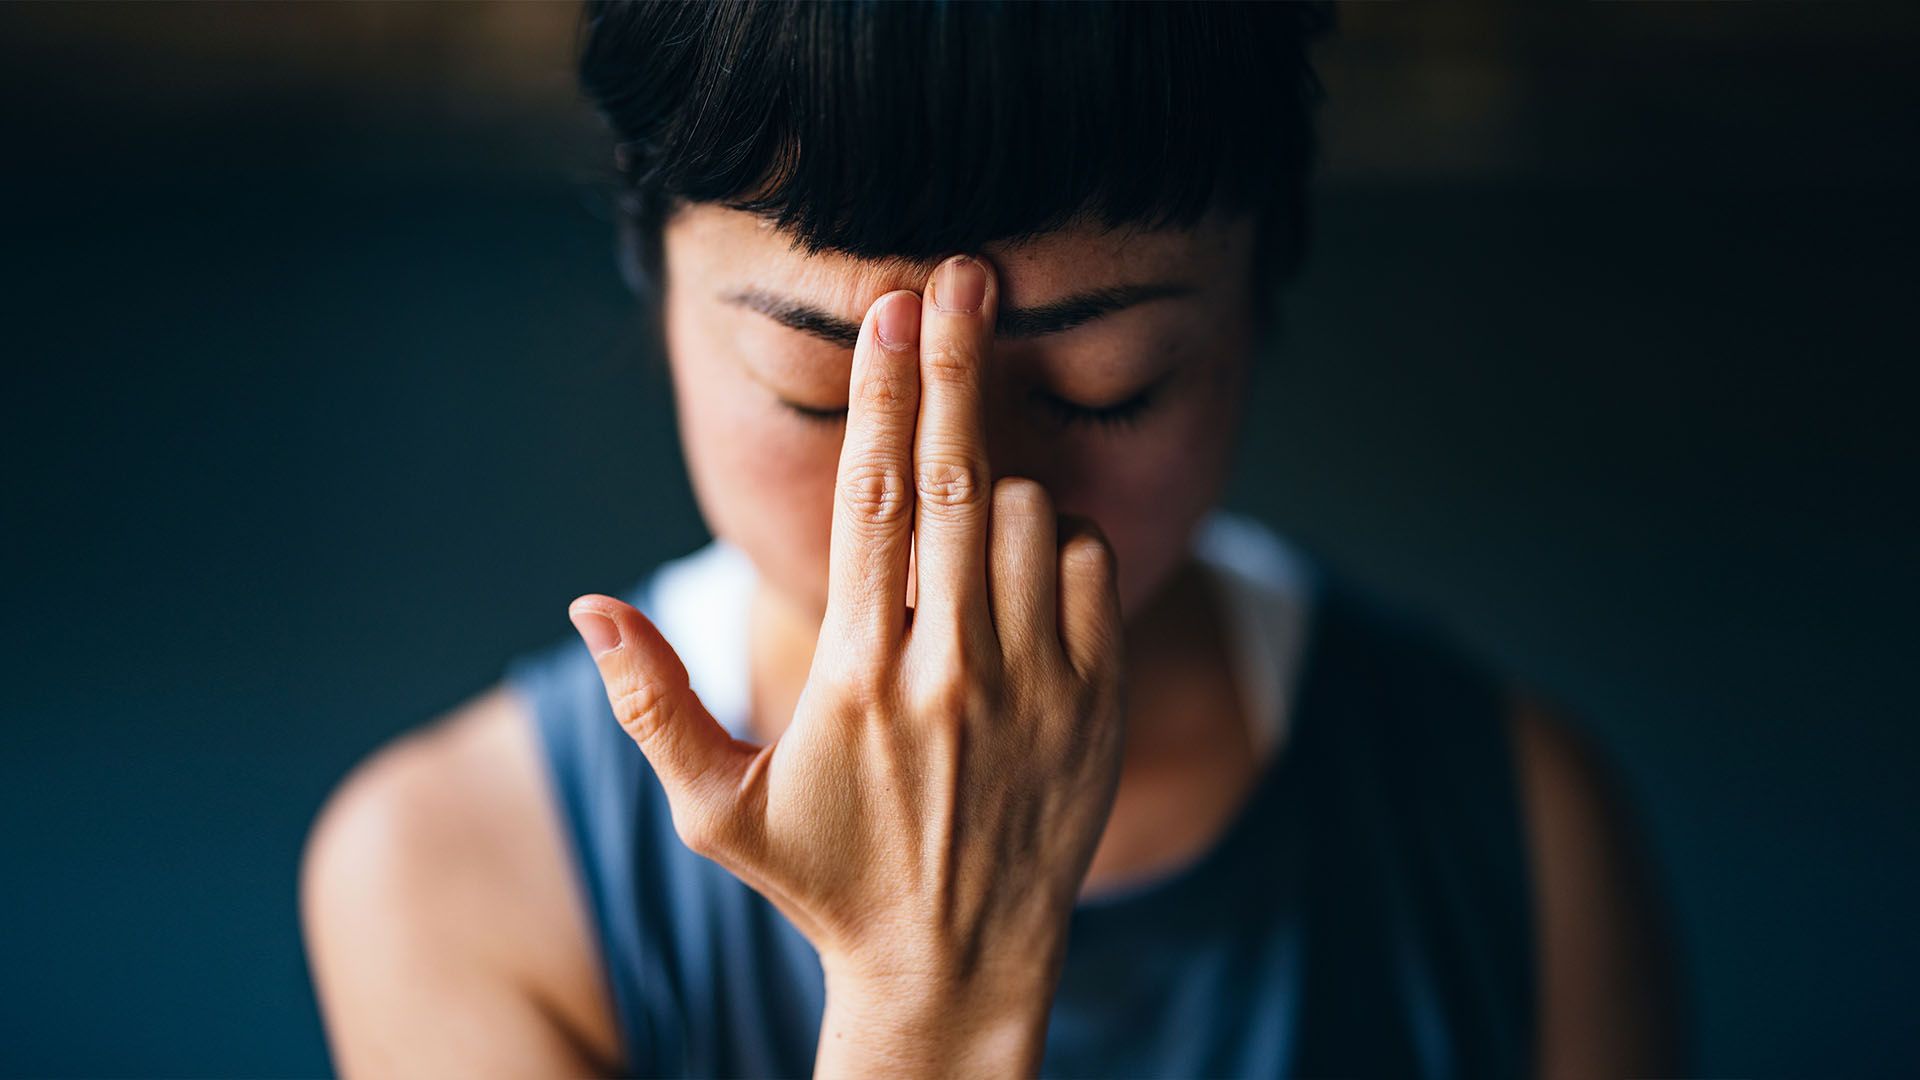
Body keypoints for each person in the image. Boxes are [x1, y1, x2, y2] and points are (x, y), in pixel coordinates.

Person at [300, 2, 1686, 1076]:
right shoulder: (457, 877)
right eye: (821, 391)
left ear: (1260, 306)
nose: (959, 492)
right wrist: (926, 1004)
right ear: (652, 283)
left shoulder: (1521, 837)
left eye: (1104, 387)